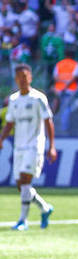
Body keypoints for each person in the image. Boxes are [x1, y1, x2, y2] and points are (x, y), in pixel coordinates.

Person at [0, 64, 56, 231]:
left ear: (30, 78)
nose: (22, 80)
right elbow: (9, 122)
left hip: (34, 146)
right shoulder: (14, 100)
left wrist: (51, 146)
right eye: (19, 77)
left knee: (25, 180)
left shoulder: (39, 98)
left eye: (25, 76)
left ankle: (22, 220)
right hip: (19, 147)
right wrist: (1, 138)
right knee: (21, 185)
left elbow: (48, 121)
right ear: (16, 79)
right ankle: (45, 208)